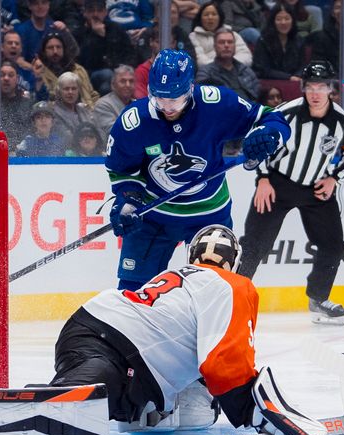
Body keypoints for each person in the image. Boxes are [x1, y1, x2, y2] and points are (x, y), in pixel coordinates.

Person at [0, 225, 328, 435]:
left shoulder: (184, 280)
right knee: (73, 408)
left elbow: (197, 373)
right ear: (234, 263)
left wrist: (238, 407)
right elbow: (224, 362)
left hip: (100, 327)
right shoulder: (234, 286)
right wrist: (253, 415)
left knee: (116, 409)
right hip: (111, 347)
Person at [105, 48, 291, 291]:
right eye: (159, 99)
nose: (167, 107)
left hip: (209, 213)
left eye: (175, 99)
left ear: (191, 88)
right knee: (131, 290)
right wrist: (128, 199)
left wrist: (269, 135)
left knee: (212, 290)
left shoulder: (216, 104)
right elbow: (121, 171)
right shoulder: (133, 122)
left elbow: (270, 118)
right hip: (154, 215)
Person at [237, 60, 344, 326]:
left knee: (333, 245)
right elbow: (258, 139)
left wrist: (334, 177)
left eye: (321, 87)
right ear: (303, 89)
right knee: (254, 244)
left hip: (316, 188)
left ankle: (318, 298)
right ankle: (235, 298)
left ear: (331, 89)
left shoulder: (342, 121)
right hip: (277, 185)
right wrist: (262, 178)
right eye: (311, 87)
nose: (316, 93)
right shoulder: (286, 113)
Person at [74, 0, 137, 95]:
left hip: (117, 71)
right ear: (85, 13)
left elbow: (129, 54)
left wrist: (123, 69)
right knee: (107, 74)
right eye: (91, 11)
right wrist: (98, 37)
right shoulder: (79, 33)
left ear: (105, 12)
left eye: (99, 11)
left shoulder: (116, 29)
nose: (95, 14)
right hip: (90, 74)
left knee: (107, 87)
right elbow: (86, 61)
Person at [35, 30, 99, 106]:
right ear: (44, 51)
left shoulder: (78, 69)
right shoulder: (40, 73)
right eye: (50, 48)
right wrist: (38, 78)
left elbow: (92, 95)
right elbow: (40, 101)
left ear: (64, 49)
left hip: (87, 112)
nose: (55, 51)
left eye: (58, 47)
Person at [195, 28, 260, 102]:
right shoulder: (206, 72)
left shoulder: (246, 71)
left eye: (230, 42)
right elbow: (203, 99)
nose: (226, 45)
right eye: (222, 42)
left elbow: (257, 96)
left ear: (235, 46)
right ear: (215, 47)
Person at [252, 4, 306, 82]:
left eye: (287, 18)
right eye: (279, 19)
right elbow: (263, 70)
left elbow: (302, 66)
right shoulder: (263, 40)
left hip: (294, 81)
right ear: (273, 21)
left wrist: (297, 76)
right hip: (270, 84)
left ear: (293, 20)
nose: (283, 22)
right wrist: (288, 77)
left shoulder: (299, 40)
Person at [189, 1, 252, 67]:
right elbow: (200, 61)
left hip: (235, 71)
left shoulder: (232, 34)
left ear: (220, 17)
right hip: (209, 74)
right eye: (206, 15)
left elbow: (246, 56)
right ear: (200, 18)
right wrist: (221, 67)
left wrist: (230, 66)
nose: (210, 18)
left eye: (214, 14)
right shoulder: (194, 37)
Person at [92, 64, 135, 140]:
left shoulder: (137, 104)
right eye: (123, 81)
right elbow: (115, 132)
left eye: (131, 81)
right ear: (113, 85)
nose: (128, 85)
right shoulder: (103, 105)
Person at [0, 59, 34, 149]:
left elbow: (31, 132)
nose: (6, 78)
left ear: (17, 79)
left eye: (10, 75)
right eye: (2, 75)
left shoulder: (27, 104)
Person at [51, 71, 94, 142]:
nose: (70, 92)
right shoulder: (53, 112)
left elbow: (97, 131)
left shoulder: (84, 109)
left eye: (74, 89)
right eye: (66, 89)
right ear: (59, 91)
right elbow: (66, 138)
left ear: (78, 91)